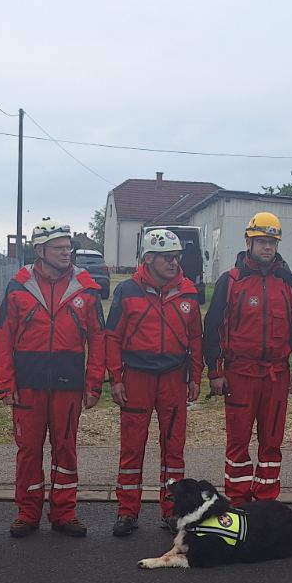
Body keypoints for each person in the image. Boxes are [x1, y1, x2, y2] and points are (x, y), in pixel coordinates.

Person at [0, 218, 105, 537]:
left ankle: (64, 513)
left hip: (69, 384)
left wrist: (94, 382)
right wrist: (5, 383)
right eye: (58, 247)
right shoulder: (18, 286)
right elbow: (3, 338)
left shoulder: (86, 287)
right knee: (28, 450)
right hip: (28, 385)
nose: (66, 252)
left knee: (65, 449)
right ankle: (28, 513)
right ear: (40, 250)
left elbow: (99, 338)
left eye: (68, 247)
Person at [203, 212, 292, 505]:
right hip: (240, 374)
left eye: (272, 242)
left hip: (276, 376)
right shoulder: (231, 281)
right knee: (238, 443)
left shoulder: (289, 284)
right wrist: (215, 372)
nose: (267, 248)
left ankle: (266, 500)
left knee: (272, 443)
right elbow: (212, 328)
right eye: (261, 241)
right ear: (248, 242)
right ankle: (238, 500)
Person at [105, 227, 204, 536]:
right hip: (136, 378)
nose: (174, 263)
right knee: (132, 450)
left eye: (176, 258)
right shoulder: (127, 291)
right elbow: (112, 338)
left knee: (174, 451)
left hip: (174, 378)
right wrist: (115, 378)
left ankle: (173, 511)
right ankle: (127, 511)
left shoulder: (188, 290)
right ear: (148, 259)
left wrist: (196, 377)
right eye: (166, 258)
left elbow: (196, 339)